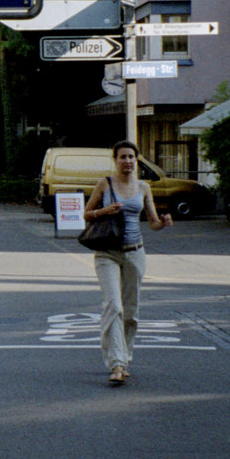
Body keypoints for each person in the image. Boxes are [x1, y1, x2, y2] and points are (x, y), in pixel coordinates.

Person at [82, 140, 173, 385]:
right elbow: (86, 214)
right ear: (115, 160)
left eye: (131, 157)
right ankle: (117, 363)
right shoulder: (105, 183)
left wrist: (163, 222)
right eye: (122, 157)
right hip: (107, 253)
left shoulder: (143, 187)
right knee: (114, 305)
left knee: (131, 312)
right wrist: (105, 211)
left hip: (135, 253)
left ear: (137, 160)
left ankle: (125, 355)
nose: (127, 161)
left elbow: (152, 223)